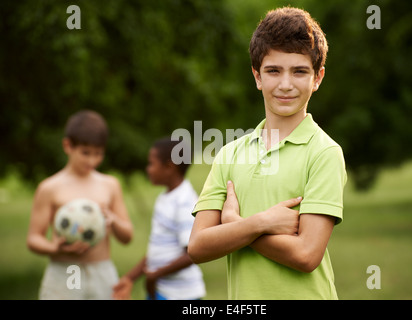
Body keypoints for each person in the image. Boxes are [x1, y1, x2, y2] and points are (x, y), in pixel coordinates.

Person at [188, 7, 347, 299]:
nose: (285, 84)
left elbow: (306, 256)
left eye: (299, 71)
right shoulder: (229, 153)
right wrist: (259, 223)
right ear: (257, 76)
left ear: (317, 77)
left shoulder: (324, 153)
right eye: (273, 71)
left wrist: (235, 227)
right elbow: (197, 246)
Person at [27, 110, 134, 300]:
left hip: (101, 270)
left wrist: (113, 221)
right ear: (68, 145)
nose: (92, 160)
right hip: (66, 271)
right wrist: (55, 248)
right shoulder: (50, 188)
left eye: (98, 154)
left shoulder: (110, 185)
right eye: (85, 153)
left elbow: (127, 236)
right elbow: (34, 238)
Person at [113, 137, 205, 300]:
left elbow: (193, 253)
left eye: (151, 164)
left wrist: (155, 275)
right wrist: (130, 278)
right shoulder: (165, 197)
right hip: (160, 290)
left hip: (181, 294)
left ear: (169, 167)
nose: (148, 169)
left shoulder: (184, 202)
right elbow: (158, 250)